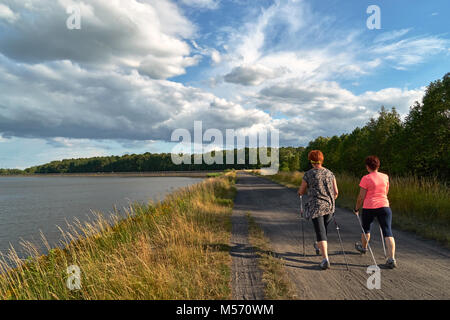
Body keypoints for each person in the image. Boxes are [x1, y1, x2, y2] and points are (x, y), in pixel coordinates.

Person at [353, 155, 397, 269]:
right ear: (378, 165)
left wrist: (357, 208)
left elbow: (361, 197)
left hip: (369, 207)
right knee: (388, 231)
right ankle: (391, 258)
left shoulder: (366, 178)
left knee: (366, 229)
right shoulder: (385, 177)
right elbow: (386, 191)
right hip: (384, 206)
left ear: (367, 167)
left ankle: (364, 247)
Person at [298, 150, 339, 270]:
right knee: (323, 229)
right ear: (321, 160)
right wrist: (329, 200)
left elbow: (301, 191)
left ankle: (325, 259)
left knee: (320, 232)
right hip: (330, 206)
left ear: (311, 160)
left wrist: (300, 192)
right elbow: (336, 192)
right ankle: (318, 245)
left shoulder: (308, 174)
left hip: (316, 207)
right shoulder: (330, 173)